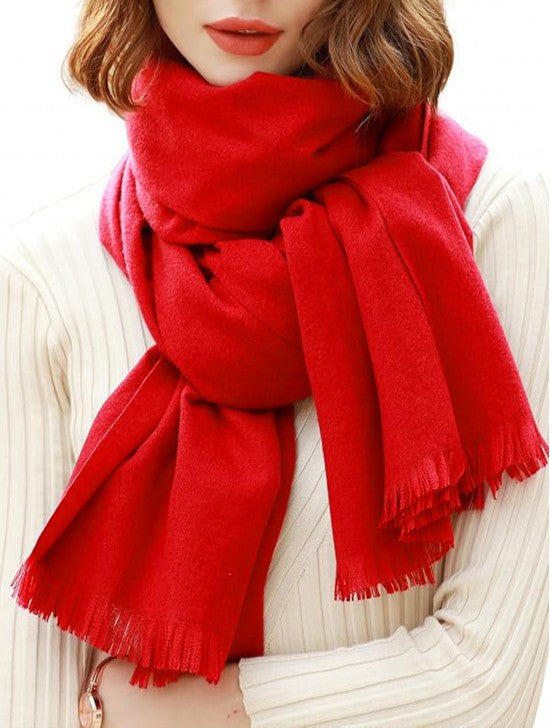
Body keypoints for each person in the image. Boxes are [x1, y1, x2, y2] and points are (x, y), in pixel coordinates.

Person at [1, 1, 548, 727]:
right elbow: (28, 700)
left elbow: (488, 686)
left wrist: (215, 710)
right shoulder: (43, 279)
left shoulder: (490, 222)